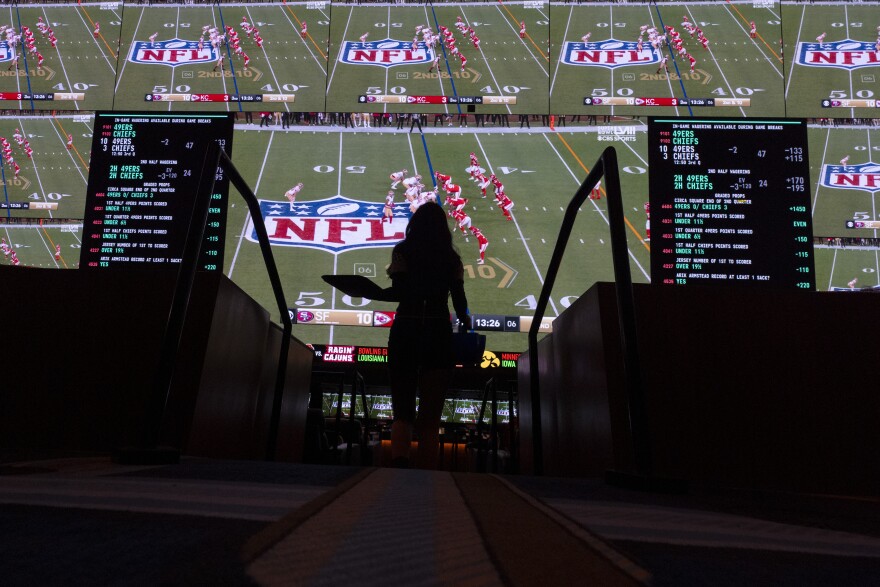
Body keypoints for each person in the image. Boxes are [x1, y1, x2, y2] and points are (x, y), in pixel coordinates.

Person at [386, 202, 470, 469]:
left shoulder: (403, 251)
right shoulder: (451, 257)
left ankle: (398, 467)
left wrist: (366, 291)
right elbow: (458, 299)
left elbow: (398, 292)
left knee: (402, 410)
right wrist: (464, 323)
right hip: (437, 331)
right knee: (431, 413)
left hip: (406, 329)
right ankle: (427, 473)